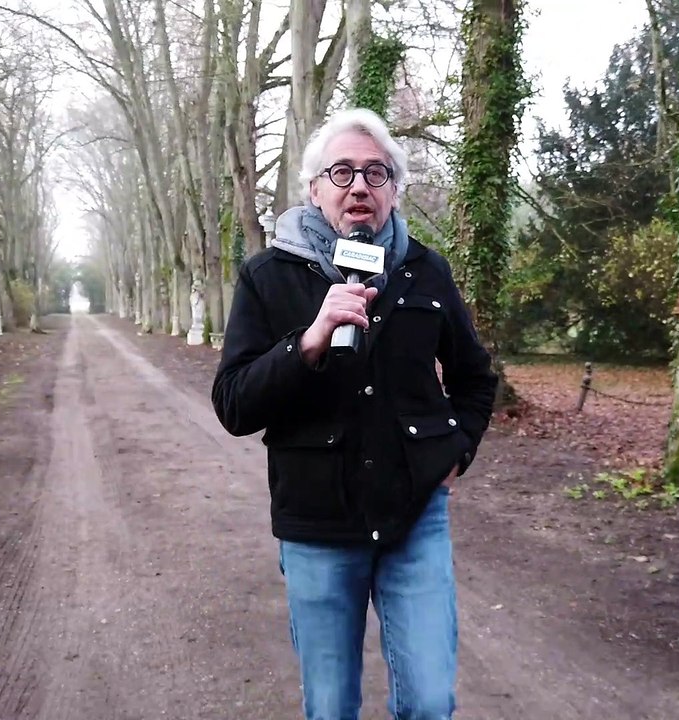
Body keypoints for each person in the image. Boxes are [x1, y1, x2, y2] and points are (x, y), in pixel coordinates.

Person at [211, 107, 498, 720]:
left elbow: (475, 378)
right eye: (341, 172)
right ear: (315, 190)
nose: (359, 186)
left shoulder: (425, 271)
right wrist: (308, 341)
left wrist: (457, 451)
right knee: (331, 706)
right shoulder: (268, 276)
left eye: (376, 172)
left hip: (415, 515)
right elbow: (233, 403)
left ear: (394, 190)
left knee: (430, 701)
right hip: (317, 520)